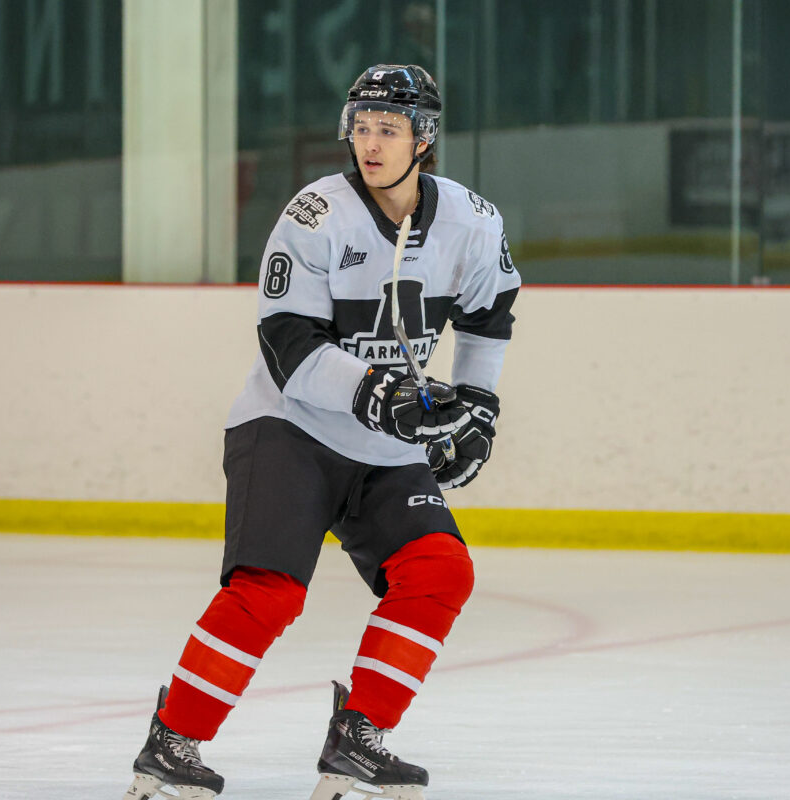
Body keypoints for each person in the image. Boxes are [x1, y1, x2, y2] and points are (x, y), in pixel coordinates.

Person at [122, 64, 520, 800]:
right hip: (289, 429)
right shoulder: (314, 215)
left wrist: (478, 408)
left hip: (384, 446)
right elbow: (288, 343)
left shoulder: (472, 221)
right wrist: (378, 394)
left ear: (423, 139)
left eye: (388, 129)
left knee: (440, 571)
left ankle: (358, 736)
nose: (370, 143)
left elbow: (488, 316)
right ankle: (172, 740)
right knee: (269, 590)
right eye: (361, 127)